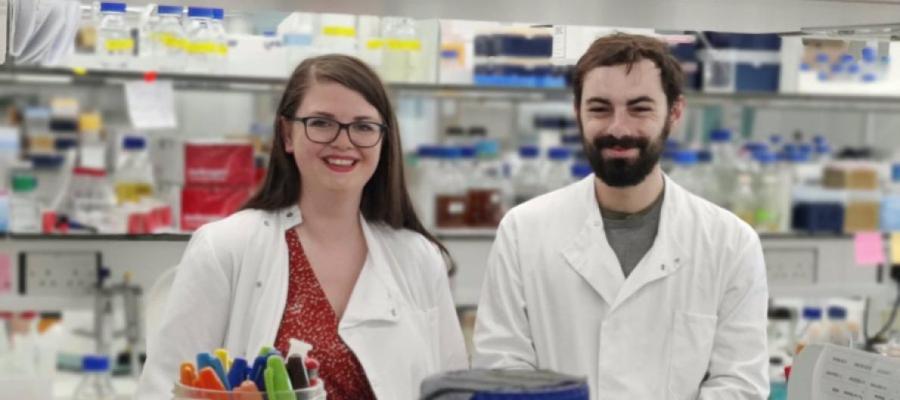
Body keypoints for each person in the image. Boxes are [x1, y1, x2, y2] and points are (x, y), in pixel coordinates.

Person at [138, 54, 468, 399]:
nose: (344, 141)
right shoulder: (226, 247)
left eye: (364, 126)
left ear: (384, 141)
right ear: (287, 134)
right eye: (322, 123)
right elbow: (164, 389)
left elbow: (453, 389)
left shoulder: (417, 257)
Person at [472, 33, 769, 399]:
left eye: (639, 108)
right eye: (599, 108)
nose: (618, 128)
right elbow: (502, 370)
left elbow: (740, 385)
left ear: (674, 113)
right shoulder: (523, 231)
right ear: (576, 112)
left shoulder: (730, 243)